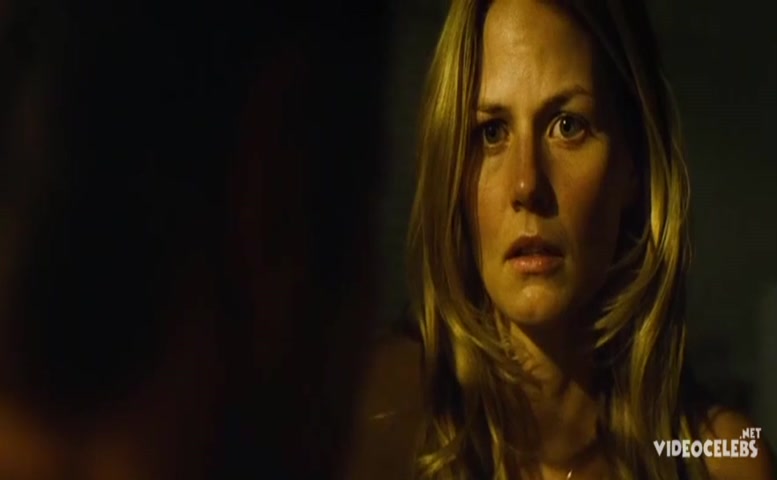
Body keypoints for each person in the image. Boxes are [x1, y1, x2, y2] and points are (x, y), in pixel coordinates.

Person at [345, 0, 775, 479]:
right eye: (491, 132)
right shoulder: (378, 420)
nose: (526, 184)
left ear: (633, 162)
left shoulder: (729, 459)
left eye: (567, 126)